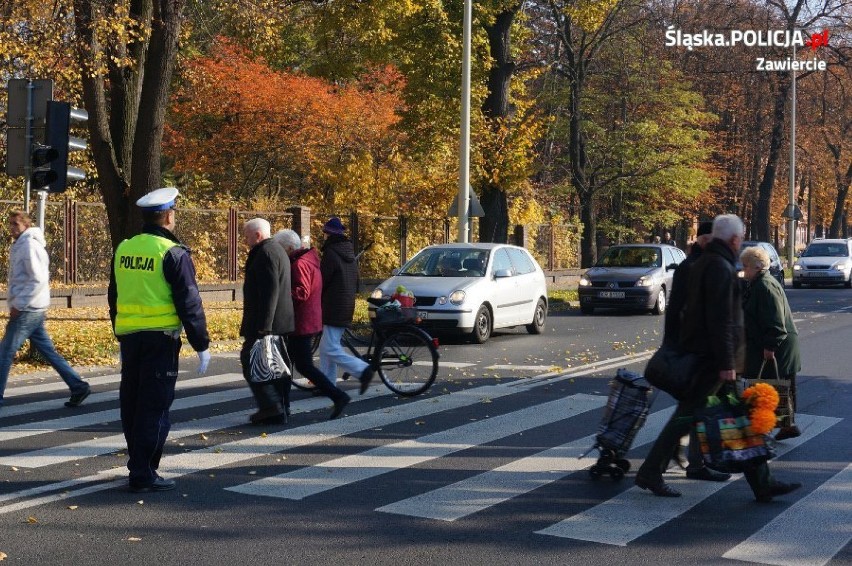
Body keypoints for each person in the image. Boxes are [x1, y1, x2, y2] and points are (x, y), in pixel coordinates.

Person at [635, 214, 801, 502]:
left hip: (707, 357)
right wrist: (727, 364)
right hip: (713, 363)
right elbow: (722, 321)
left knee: (737, 417)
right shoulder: (720, 268)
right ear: (735, 240)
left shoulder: (701, 263)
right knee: (688, 417)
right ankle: (651, 471)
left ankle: (763, 483)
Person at [108, 188, 210, 493]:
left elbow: (114, 296)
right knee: (155, 406)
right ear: (168, 215)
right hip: (161, 341)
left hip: (130, 339)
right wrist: (201, 344)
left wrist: (120, 331)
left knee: (132, 403)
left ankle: (138, 464)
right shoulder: (173, 253)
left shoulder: (124, 248)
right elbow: (189, 302)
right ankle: (143, 471)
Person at [0, 210, 91, 409]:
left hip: (28, 309)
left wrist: (19, 304)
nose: (12, 227)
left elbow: (37, 279)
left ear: (25, 224)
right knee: (49, 352)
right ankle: (78, 386)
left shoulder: (29, 245)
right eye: (11, 223)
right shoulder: (20, 245)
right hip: (31, 307)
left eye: (16, 223)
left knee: (5, 352)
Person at [661, 221, 728, 479]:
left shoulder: (705, 264)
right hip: (693, 352)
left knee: (695, 411)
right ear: (702, 239)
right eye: (711, 238)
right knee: (694, 411)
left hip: (696, 351)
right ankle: (678, 459)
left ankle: (687, 459)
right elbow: (681, 311)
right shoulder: (693, 267)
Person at [274, 229, 350, 419]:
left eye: (281, 249)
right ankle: (283, 404)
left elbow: (301, 292)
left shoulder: (299, 264)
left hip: (301, 322)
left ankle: (337, 396)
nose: (279, 254)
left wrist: (279, 295)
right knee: (292, 365)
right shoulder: (309, 259)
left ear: (290, 248)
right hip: (308, 319)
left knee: (296, 366)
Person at [740, 245, 801, 440]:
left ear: (757, 266)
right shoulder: (758, 283)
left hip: (778, 346)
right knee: (775, 384)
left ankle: (773, 426)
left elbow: (776, 322)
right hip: (774, 344)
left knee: (772, 384)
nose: (743, 270)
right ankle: (785, 425)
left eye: (746, 266)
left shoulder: (765, 286)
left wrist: (769, 346)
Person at [240, 218, 294, 425]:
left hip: (266, 323)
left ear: (257, 234)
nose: (245, 240)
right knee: (275, 365)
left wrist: (265, 326)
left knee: (252, 361)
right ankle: (280, 406)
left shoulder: (265, 253)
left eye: (246, 236)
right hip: (278, 321)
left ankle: (271, 407)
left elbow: (270, 291)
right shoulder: (276, 250)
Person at [318, 217, 374, 394]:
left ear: (329, 235)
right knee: (327, 346)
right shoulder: (347, 252)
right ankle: (327, 384)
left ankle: (361, 370)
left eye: (325, 234)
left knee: (329, 347)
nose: (324, 237)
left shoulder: (331, 253)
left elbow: (322, 280)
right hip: (345, 303)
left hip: (333, 305)